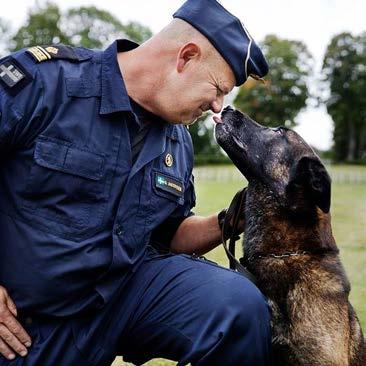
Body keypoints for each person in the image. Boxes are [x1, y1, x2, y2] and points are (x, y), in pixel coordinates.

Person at [0, 0, 272, 364]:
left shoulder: (178, 141)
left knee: (237, 305)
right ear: (186, 57)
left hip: (116, 305)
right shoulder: (46, 83)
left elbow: (167, 234)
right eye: (218, 87)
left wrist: (233, 218)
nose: (217, 105)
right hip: (23, 323)